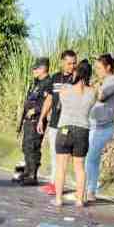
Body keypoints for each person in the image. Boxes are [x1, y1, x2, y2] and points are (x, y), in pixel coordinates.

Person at [51, 60, 96, 208]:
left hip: (65, 129)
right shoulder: (93, 92)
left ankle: (58, 199)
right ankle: (79, 200)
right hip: (82, 131)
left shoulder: (65, 88)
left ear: (76, 72)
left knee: (61, 166)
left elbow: (60, 101)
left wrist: (72, 78)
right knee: (80, 167)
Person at [37, 50, 78, 195]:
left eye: (74, 63)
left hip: (69, 123)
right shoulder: (55, 78)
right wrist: (42, 118)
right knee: (54, 154)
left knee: (67, 156)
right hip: (55, 122)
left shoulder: (77, 79)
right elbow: (49, 99)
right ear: (62, 62)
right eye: (69, 63)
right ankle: (54, 183)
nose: (72, 66)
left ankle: (64, 184)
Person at [84, 53, 114, 204]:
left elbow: (100, 96)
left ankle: (91, 190)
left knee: (90, 159)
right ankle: (89, 188)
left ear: (108, 67)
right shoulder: (105, 80)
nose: (97, 71)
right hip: (95, 126)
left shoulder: (113, 81)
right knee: (92, 159)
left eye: (99, 68)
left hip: (103, 127)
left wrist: (93, 86)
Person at [15, 57, 52, 186]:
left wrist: (36, 110)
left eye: (36, 68)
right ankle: (27, 171)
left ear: (43, 69)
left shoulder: (48, 83)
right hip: (29, 120)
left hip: (37, 119)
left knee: (33, 146)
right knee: (26, 146)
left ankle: (32, 175)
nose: (34, 71)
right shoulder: (37, 83)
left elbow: (47, 102)